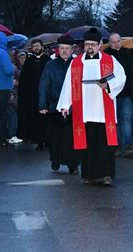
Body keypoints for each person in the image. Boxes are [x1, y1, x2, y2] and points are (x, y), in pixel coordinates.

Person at [57, 27, 126, 186]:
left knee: (104, 145)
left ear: (100, 44)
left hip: (103, 110)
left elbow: (122, 77)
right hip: (84, 111)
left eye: (93, 44)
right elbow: (68, 84)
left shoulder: (110, 61)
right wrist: (65, 105)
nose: (90, 47)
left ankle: (106, 175)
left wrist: (108, 85)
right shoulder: (76, 63)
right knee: (88, 145)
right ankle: (89, 175)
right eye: (87, 44)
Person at [38, 35, 79, 174]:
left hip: (74, 107)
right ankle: (55, 159)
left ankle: (73, 164)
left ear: (72, 49)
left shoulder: (77, 64)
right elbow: (44, 85)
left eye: (67, 48)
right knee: (55, 137)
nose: (64, 51)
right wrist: (42, 105)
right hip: (55, 106)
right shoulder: (50, 65)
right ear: (58, 49)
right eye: (62, 48)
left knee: (72, 137)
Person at [17, 39, 50, 151]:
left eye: (37, 46)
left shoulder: (47, 60)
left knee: (45, 118)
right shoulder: (29, 61)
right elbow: (24, 79)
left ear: (42, 47)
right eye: (34, 46)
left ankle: (48, 140)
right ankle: (38, 141)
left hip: (45, 94)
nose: (36, 48)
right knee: (35, 118)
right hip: (32, 96)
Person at [104, 33, 133, 158]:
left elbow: (131, 71)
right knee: (113, 121)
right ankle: (115, 145)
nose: (116, 44)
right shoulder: (105, 56)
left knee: (126, 119)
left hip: (126, 92)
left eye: (118, 41)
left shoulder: (128, 53)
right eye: (113, 42)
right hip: (111, 94)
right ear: (109, 43)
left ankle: (127, 146)